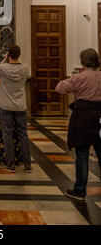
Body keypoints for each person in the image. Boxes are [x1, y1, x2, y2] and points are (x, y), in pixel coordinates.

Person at [55, 48, 101, 201]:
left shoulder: (79, 78)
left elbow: (59, 87)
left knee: (82, 155)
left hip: (82, 118)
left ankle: (80, 190)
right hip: (99, 118)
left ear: (83, 61)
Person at [0, 45, 31, 172]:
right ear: (19, 54)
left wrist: (5, 59)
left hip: (5, 105)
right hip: (20, 104)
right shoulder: (25, 68)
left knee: (7, 133)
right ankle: (27, 164)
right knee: (23, 133)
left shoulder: (3, 68)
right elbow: (26, 79)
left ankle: (10, 164)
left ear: (9, 54)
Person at [0, 79, 22, 167]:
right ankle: (16, 158)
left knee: (4, 135)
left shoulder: (1, 83)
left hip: (4, 112)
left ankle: (4, 158)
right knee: (15, 135)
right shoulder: (16, 83)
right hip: (15, 111)